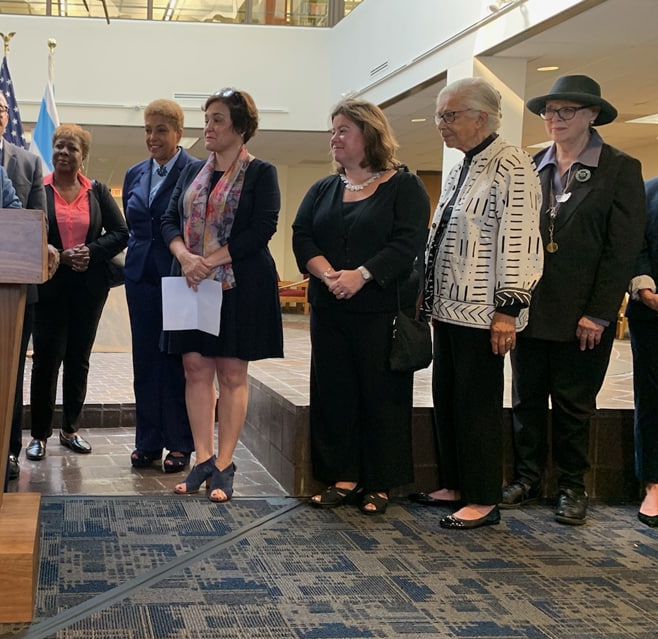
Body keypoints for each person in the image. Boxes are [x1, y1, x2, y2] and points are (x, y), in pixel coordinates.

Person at [503, 75, 647, 525]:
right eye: (550, 111)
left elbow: (621, 249)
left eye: (566, 111)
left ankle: (571, 486)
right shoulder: (530, 166)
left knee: (573, 404)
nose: (555, 119)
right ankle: (527, 478)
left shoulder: (619, 168)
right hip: (532, 309)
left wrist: (600, 313)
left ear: (591, 115)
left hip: (584, 314)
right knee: (526, 398)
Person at [415, 77, 543, 530]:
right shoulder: (461, 166)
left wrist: (508, 308)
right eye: (439, 116)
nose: (441, 125)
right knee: (447, 399)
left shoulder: (513, 165)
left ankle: (484, 498)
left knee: (477, 406)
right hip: (449, 311)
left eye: (449, 116)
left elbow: (521, 241)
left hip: (485, 314)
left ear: (480, 118)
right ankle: (455, 483)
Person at [292, 98, 430, 515]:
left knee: (381, 396)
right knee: (333, 393)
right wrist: (329, 273)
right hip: (330, 307)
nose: (334, 138)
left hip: (380, 311)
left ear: (369, 134)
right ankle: (343, 477)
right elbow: (302, 236)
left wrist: (362, 275)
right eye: (332, 130)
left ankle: (380, 483)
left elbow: (407, 243)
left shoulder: (404, 186)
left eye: (343, 130)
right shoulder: (323, 188)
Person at [160, 88, 283, 503]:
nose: (207, 127)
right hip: (192, 279)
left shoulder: (261, 173)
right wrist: (184, 256)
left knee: (231, 373)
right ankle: (204, 458)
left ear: (240, 127)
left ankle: (226, 464)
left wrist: (209, 260)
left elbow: (262, 229)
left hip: (239, 283)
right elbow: (166, 220)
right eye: (206, 118)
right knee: (195, 368)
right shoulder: (190, 172)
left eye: (216, 119)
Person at [0, 83, 58, 483]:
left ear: (8, 115)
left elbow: (38, 223)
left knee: (9, 375)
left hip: (17, 289)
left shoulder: (27, 163)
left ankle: (6, 451)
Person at [26, 124, 128, 462]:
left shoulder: (96, 191)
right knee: (45, 361)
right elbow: (26, 231)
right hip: (49, 284)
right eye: (59, 146)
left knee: (78, 359)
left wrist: (92, 251)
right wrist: (58, 251)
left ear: (82, 156)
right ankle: (39, 435)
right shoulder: (38, 190)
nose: (63, 153)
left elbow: (121, 232)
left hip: (88, 287)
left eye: (71, 148)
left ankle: (70, 430)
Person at [122, 99, 199, 473]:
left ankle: (180, 443)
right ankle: (147, 442)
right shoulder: (135, 172)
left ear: (179, 133)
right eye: (148, 130)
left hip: (178, 276)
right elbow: (133, 223)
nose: (153, 137)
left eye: (161, 130)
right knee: (145, 360)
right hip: (140, 278)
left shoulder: (196, 171)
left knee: (176, 360)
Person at [631, 173, 658, 527]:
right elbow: (634, 244)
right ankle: (654, 482)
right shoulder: (648, 190)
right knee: (652, 399)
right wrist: (646, 287)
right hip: (651, 312)